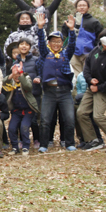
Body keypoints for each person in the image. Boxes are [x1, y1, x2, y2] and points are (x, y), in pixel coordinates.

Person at [36, 13, 77, 153]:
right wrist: (40, 27)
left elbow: (72, 44)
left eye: (58, 41)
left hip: (65, 91)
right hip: (49, 91)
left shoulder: (66, 54)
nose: (55, 44)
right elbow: (40, 43)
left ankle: (70, 143)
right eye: (53, 41)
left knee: (69, 119)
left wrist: (71, 30)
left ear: (61, 42)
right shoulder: (45, 54)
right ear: (49, 43)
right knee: (46, 119)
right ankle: (44, 144)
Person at [9, 39, 42, 148]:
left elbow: (40, 73)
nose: (24, 46)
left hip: (34, 93)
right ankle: (23, 140)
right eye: (21, 44)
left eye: (26, 45)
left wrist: (38, 78)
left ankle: (37, 139)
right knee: (20, 119)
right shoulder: (15, 62)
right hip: (20, 94)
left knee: (33, 120)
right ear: (18, 47)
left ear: (30, 47)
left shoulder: (36, 60)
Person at [62, 0, 103, 77]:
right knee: (75, 76)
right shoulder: (70, 21)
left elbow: (99, 40)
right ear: (76, 8)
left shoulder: (94, 22)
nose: (82, 7)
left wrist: (96, 53)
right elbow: (65, 36)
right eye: (79, 5)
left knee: (87, 76)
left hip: (88, 53)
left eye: (84, 5)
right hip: (73, 53)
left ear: (88, 7)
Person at [3, 64, 36, 156]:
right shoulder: (11, 83)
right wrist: (11, 76)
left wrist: (21, 75)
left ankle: (25, 146)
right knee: (11, 128)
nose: (17, 76)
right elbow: (3, 83)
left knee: (24, 127)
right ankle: (14, 147)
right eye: (15, 74)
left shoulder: (26, 79)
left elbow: (28, 86)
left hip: (28, 110)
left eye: (19, 73)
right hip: (16, 111)